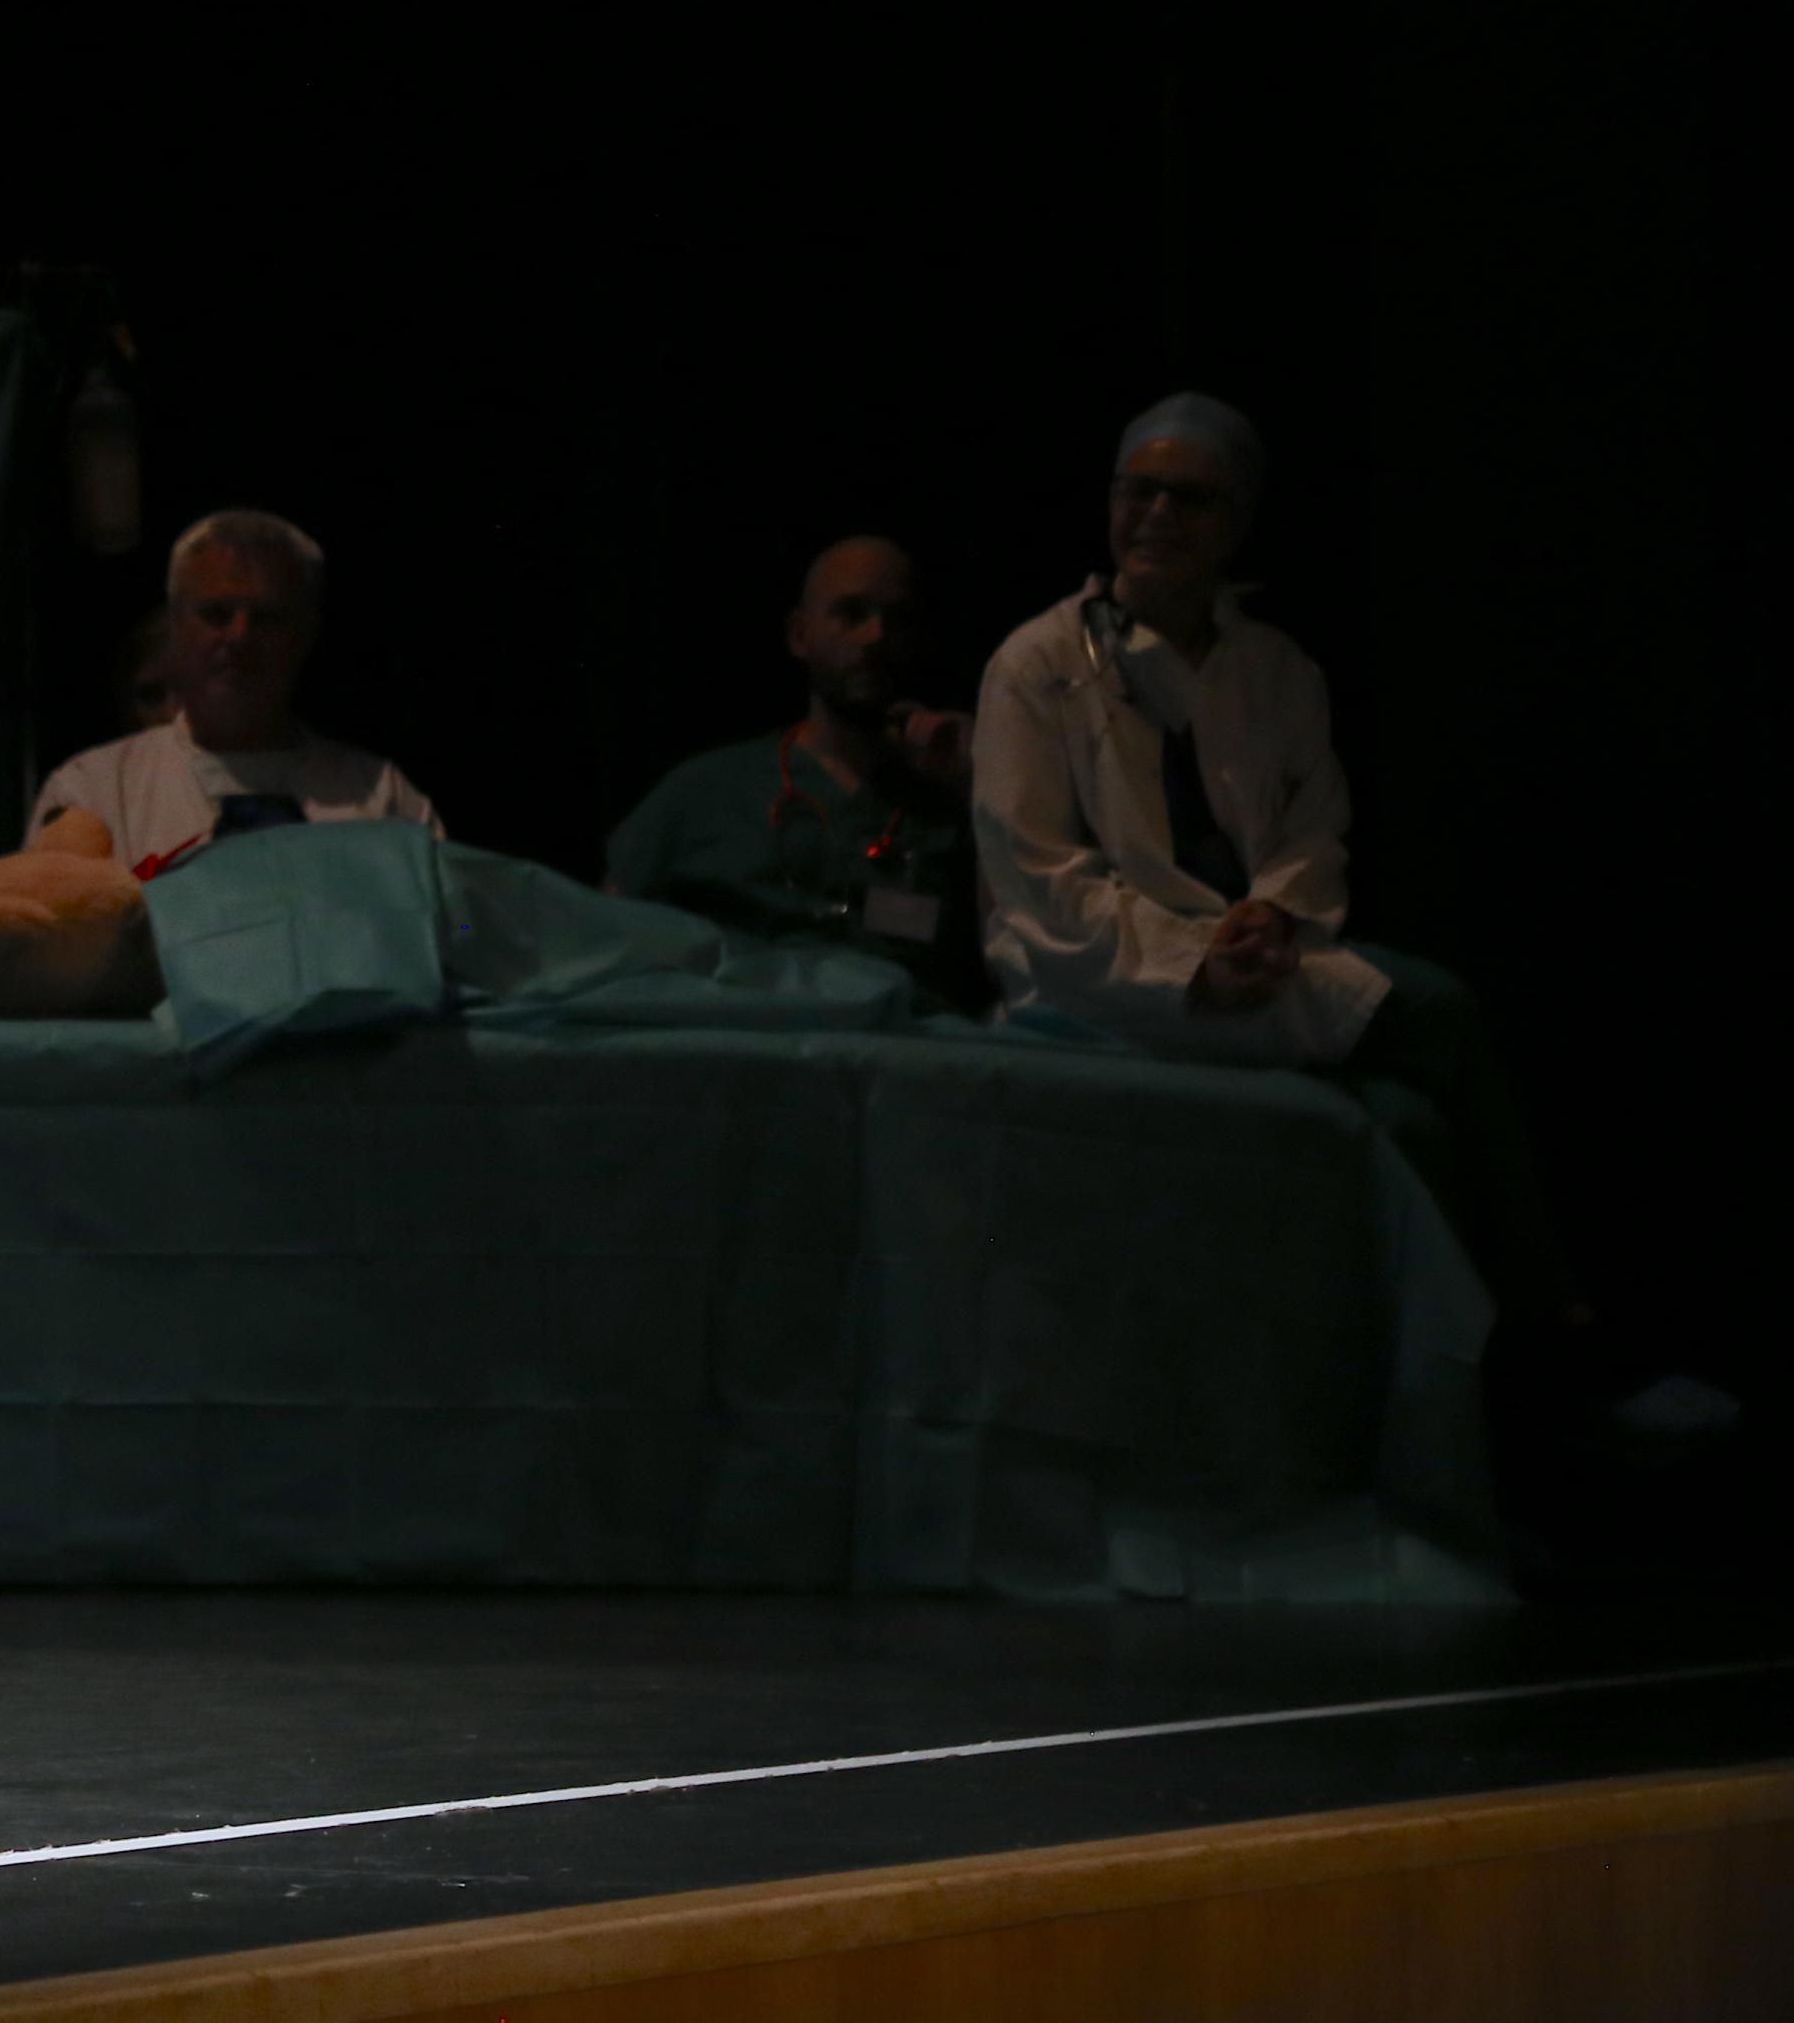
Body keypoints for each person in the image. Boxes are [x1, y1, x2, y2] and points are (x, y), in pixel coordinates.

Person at [973, 392, 1735, 1446]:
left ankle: (1467, 1427)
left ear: (1237, 521)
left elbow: (1310, 832)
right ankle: (1567, 1347)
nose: (1155, 516)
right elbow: (1041, 882)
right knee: (1438, 1012)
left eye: (1188, 498)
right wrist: (1194, 966)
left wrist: (1274, 913)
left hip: (1252, 964)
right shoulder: (1033, 667)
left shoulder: (1277, 672)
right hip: (1103, 983)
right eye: (1135, 491)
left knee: (1413, 1129)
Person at [606, 536, 987, 1009]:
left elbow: (1015, 953)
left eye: (899, 619)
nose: (876, 636)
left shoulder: (948, 802)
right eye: (851, 614)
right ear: (799, 635)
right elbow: (604, 930)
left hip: (904, 1044)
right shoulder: (707, 791)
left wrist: (980, 781)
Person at [32, 509, 436, 865]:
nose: (239, 636)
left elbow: (448, 917)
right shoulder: (94, 796)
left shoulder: (383, 800)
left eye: (266, 618)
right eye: (216, 614)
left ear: (306, 634)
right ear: (175, 627)